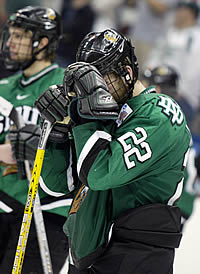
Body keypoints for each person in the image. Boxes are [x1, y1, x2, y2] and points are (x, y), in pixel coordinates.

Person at [35, 28, 191, 273]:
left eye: (99, 79)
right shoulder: (103, 114)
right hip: (89, 248)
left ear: (127, 72)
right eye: (87, 80)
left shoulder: (160, 113)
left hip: (138, 255)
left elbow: (99, 174)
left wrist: (84, 117)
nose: (93, 88)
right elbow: (56, 184)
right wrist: (58, 133)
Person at [0, 6, 71, 273]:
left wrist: (46, 143)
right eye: (11, 35)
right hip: (5, 203)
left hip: (46, 210)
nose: (10, 43)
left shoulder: (66, 85)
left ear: (42, 42)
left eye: (19, 36)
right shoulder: (3, 88)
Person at [141, 64, 198, 230]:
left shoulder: (160, 121)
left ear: (157, 89)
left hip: (170, 206)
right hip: (176, 205)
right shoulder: (174, 118)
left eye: (145, 84)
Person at [145, 1, 200, 112]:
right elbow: (154, 57)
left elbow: (193, 73)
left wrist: (175, 91)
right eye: (179, 9)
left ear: (191, 14)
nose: (178, 13)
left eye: (183, 9)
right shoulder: (170, 32)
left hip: (183, 97)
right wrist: (148, 76)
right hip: (158, 88)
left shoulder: (196, 37)